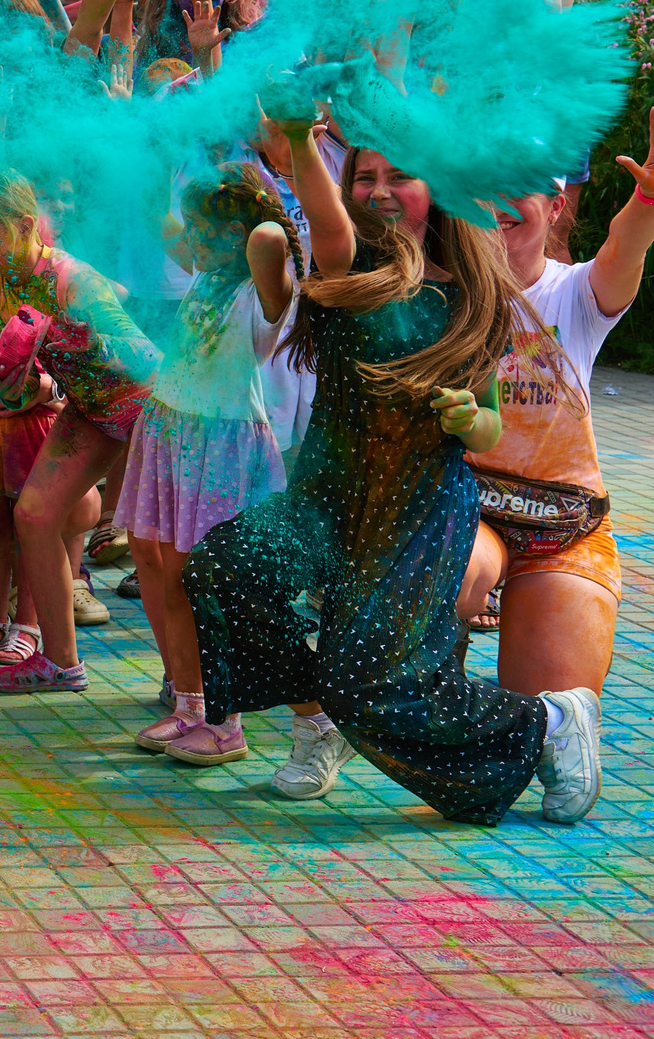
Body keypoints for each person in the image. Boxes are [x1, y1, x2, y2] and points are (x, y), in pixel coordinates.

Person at [183, 136, 600, 825]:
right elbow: (328, 219)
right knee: (224, 568)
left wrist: (470, 417)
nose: (378, 189)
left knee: (378, 690)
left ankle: (550, 723)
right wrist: (296, 141)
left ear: (434, 189)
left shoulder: (472, 295)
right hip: (326, 496)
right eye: (363, 177)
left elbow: (489, 429)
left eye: (398, 176)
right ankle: (324, 711)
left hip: (418, 515)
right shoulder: (347, 267)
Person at [453, 136, 654, 721]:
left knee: (552, 724)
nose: (497, 202)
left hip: (564, 521)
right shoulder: (442, 293)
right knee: (446, 570)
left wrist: (646, 199)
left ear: (557, 205)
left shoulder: (577, 294)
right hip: (468, 510)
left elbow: (625, 246)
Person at [0, 164, 158, 696]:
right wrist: (6, 382)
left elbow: (145, 359)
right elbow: (23, 390)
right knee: (34, 515)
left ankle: (190, 684)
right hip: (89, 410)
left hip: (145, 411)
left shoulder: (73, 280)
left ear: (24, 225)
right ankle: (61, 663)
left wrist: (74, 335)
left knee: (157, 548)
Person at [114, 164, 294, 767]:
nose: (194, 239)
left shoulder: (259, 290)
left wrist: (248, 202)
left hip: (221, 448)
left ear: (244, 231)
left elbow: (271, 237)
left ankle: (226, 721)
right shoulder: (206, 275)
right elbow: (153, 216)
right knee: (161, 570)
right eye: (195, 227)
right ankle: (189, 703)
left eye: (212, 229)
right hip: (171, 430)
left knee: (205, 582)